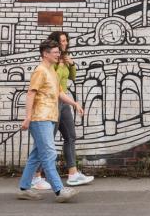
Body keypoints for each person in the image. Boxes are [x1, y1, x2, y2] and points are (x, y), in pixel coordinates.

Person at [17, 39, 83, 202]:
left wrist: (74, 103)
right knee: (49, 153)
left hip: (50, 117)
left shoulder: (52, 71)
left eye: (58, 52)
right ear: (45, 54)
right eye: (55, 52)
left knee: (36, 155)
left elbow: (60, 93)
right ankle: (59, 190)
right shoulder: (40, 71)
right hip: (40, 118)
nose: (58, 54)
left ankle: (24, 189)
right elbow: (31, 93)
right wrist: (27, 117)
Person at [31, 31, 94, 189]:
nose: (65, 43)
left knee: (70, 136)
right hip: (51, 103)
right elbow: (54, 81)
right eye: (63, 41)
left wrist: (71, 64)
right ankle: (36, 176)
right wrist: (59, 64)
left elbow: (72, 77)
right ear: (55, 43)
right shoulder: (51, 62)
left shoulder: (64, 59)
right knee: (46, 141)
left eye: (66, 40)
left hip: (63, 101)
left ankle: (73, 174)